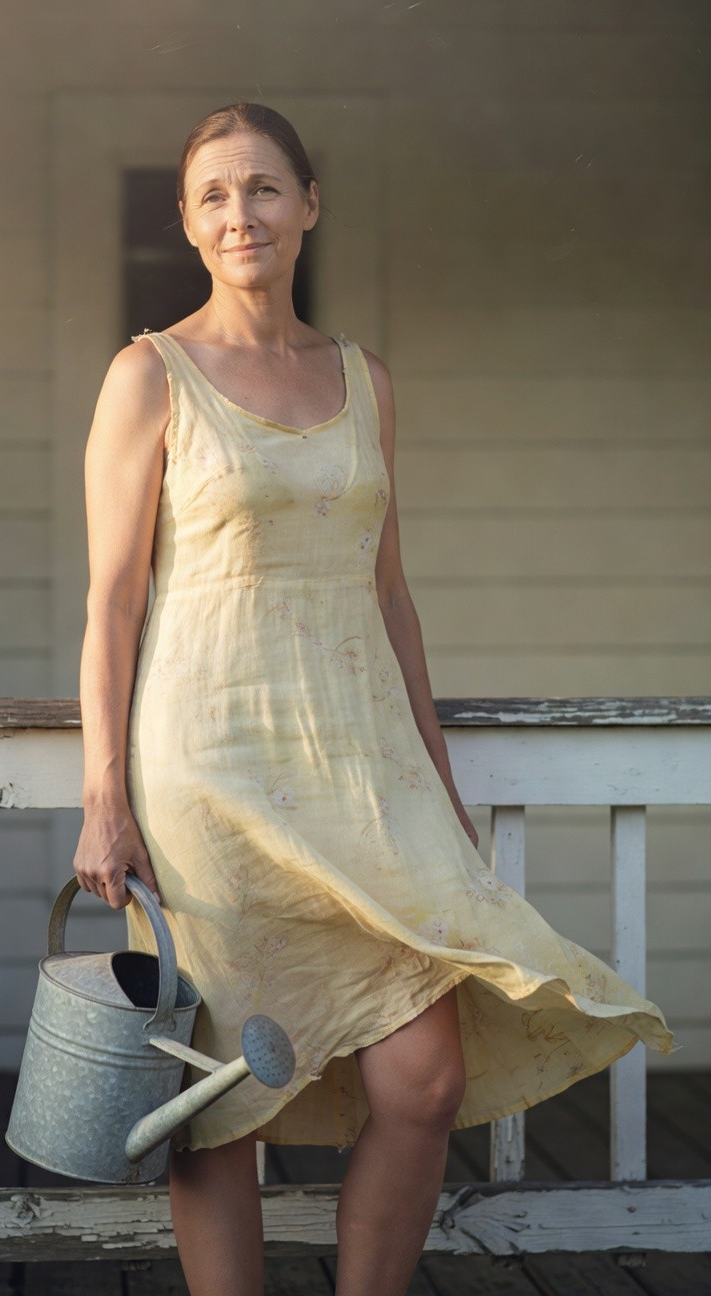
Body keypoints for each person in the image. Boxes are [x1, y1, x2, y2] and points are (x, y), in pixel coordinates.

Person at [73, 103, 673, 1296]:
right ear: (189, 226)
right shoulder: (150, 376)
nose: (239, 213)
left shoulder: (363, 380)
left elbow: (391, 599)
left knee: (423, 1079)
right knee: (225, 1101)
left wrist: (437, 783)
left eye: (262, 188)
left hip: (363, 773)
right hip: (210, 774)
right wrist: (102, 795)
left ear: (307, 206)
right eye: (213, 196)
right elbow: (112, 605)